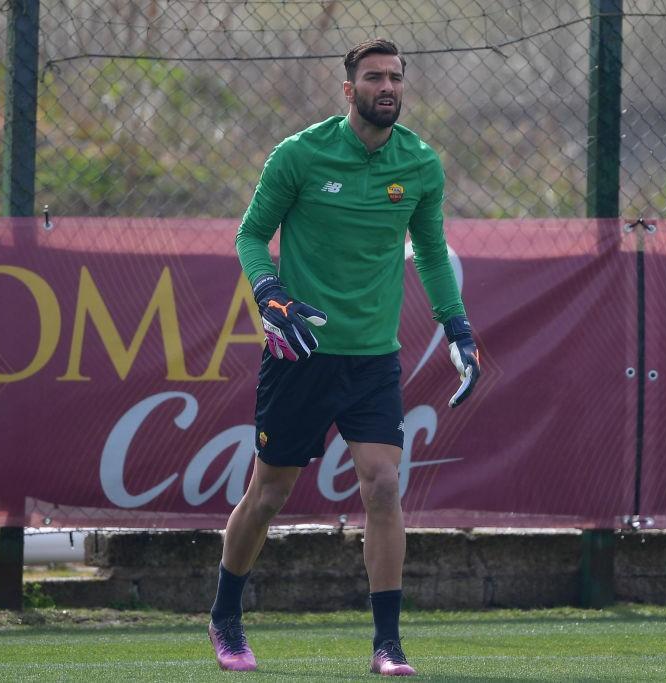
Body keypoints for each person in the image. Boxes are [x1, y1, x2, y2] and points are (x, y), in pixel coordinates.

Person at [208, 37, 481, 677]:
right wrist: (270, 293)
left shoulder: (419, 164)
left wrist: (458, 329)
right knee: (269, 494)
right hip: (300, 353)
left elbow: (434, 255)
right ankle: (225, 614)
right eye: (374, 78)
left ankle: (387, 643)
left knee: (383, 486)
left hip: (372, 360)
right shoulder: (299, 155)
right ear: (348, 88)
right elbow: (251, 234)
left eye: (395, 78)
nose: (387, 87)